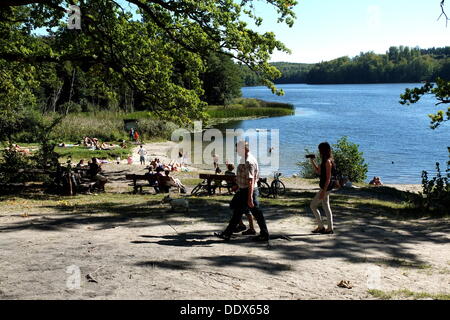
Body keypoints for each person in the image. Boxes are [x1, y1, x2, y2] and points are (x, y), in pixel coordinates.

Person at [215, 141, 269, 242]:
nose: (236, 151)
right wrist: (237, 185)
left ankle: (264, 234)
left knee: (256, 213)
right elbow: (243, 176)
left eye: (238, 149)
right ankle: (228, 233)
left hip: (249, 191)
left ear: (245, 149)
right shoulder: (243, 159)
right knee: (237, 211)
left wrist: (250, 198)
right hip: (243, 190)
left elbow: (251, 180)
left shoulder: (249, 161)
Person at [309, 142, 335, 234]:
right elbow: (318, 172)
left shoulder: (328, 161)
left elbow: (328, 178)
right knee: (326, 206)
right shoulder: (324, 161)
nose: (318, 151)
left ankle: (321, 227)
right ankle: (329, 228)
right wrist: (312, 161)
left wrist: (323, 191)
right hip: (326, 187)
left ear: (323, 150)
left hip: (326, 187)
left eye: (319, 149)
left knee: (313, 205)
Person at [224, 163, 256, 235]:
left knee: (246, 210)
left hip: (244, 191)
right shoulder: (243, 164)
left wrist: (249, 196)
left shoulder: (248, 164)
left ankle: (251, 228)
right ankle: (241, 225)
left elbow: (249, 181)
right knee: (235, 207)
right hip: (240, 190)